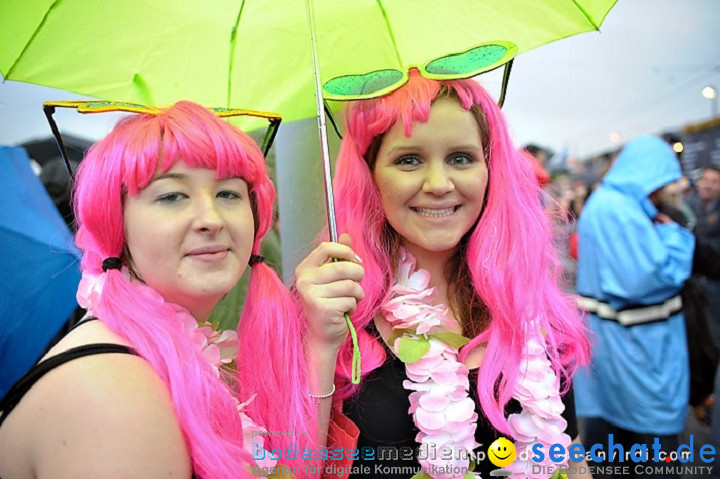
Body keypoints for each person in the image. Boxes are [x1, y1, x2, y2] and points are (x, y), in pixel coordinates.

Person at [0, 101, 347, 479]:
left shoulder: (168, 351)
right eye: (171, 196)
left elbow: (292, 471)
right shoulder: (115, 395)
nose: (211, 220)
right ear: (114, 220)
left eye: (228, 194)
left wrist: (320, 343)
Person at [296, 72, 591, 479]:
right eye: (409, 159)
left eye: (460, 158)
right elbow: (296, 470)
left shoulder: (529, 301)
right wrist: (318, 346)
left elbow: (572, 461)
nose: (439, 184)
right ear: (371, 176)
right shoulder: (330, 308)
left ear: (490, 170)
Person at [573, 136, 695, 479]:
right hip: (639, 347)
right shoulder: (620, 209)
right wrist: (676, 236)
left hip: (616, 341)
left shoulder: (609, 202)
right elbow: (650, 277)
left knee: (611, 434)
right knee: (650, 442)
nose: (669, 187)